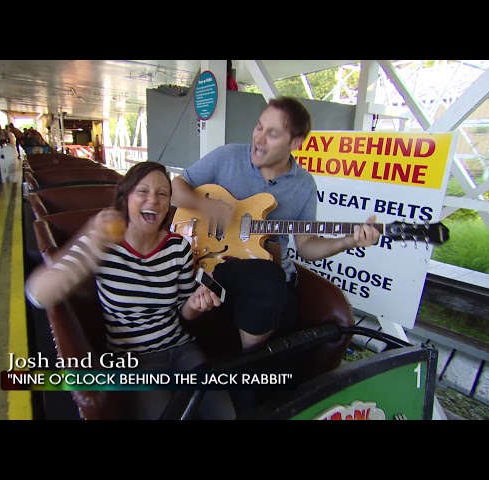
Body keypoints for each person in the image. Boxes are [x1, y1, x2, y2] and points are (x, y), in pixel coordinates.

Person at [25, 161, 236, 421]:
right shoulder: (104, 243)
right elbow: (38, 293)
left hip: (181, 349)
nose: (153, 200)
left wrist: (196, 303)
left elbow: (184, 311)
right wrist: (90, 242)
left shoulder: (178, 248)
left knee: (225, 414)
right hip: (132, 358)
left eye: (162, 194)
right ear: (125, 198)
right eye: (143, 192)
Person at [171, 96, 381, 351]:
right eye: (259, 127)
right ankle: (251, 368)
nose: (258, 139)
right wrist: (207, 206)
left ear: (295, 143)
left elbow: (306, 247)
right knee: (266, 280)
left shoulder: (303, 184)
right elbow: (175, 188)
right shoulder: (227, 156)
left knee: (270, 279)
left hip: (270, 283)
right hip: (219, 267)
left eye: (272, 134)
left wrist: (349, 240)